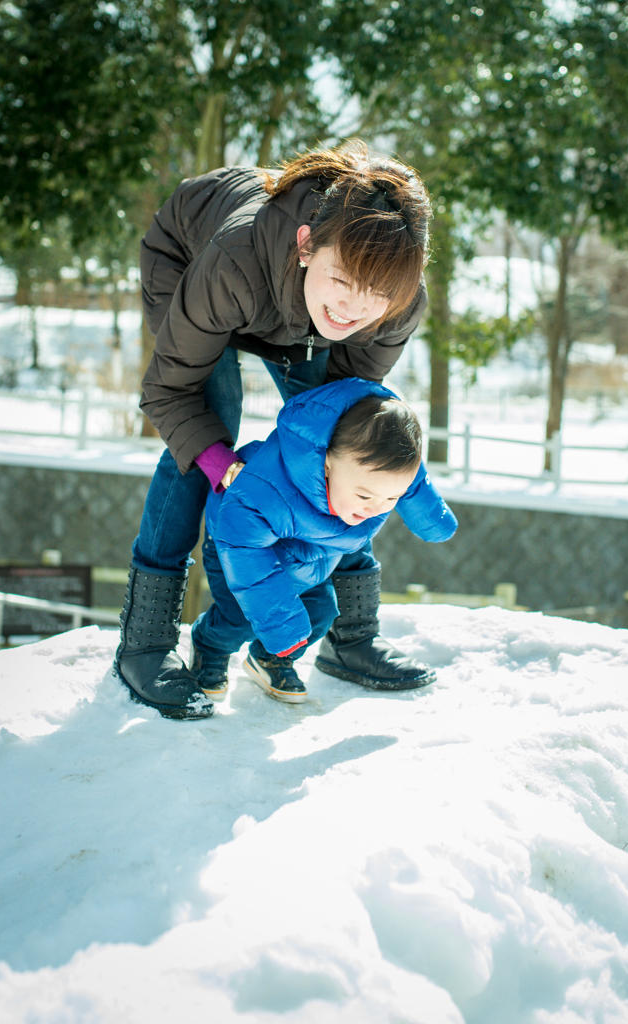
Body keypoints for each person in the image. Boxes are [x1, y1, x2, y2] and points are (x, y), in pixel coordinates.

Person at [114, 141, 435, 719]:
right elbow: (169, 392)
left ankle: (350, 636)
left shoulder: (393, 307)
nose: (354, 307)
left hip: (290, 308)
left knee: (344, 445)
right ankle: (144, 644)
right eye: (345, 277)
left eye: (378, 293)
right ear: (308, 245)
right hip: (196, 263)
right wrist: (221, 464)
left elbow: (348, 434)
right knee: (208, 426)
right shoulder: (233, 261)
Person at [188, 378, 457, 705]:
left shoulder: (376, 476)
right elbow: (243, 544)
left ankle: (269, 658)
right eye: (364, 495)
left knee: (322, 611)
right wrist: (280, 624)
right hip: (240, 555)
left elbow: (415, 485)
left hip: (311, 560)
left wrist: (433, 520)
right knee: (240, 618)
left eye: (391, 498)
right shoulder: (268, 488)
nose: (374, 509)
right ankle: (209, 647)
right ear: (326, 464)